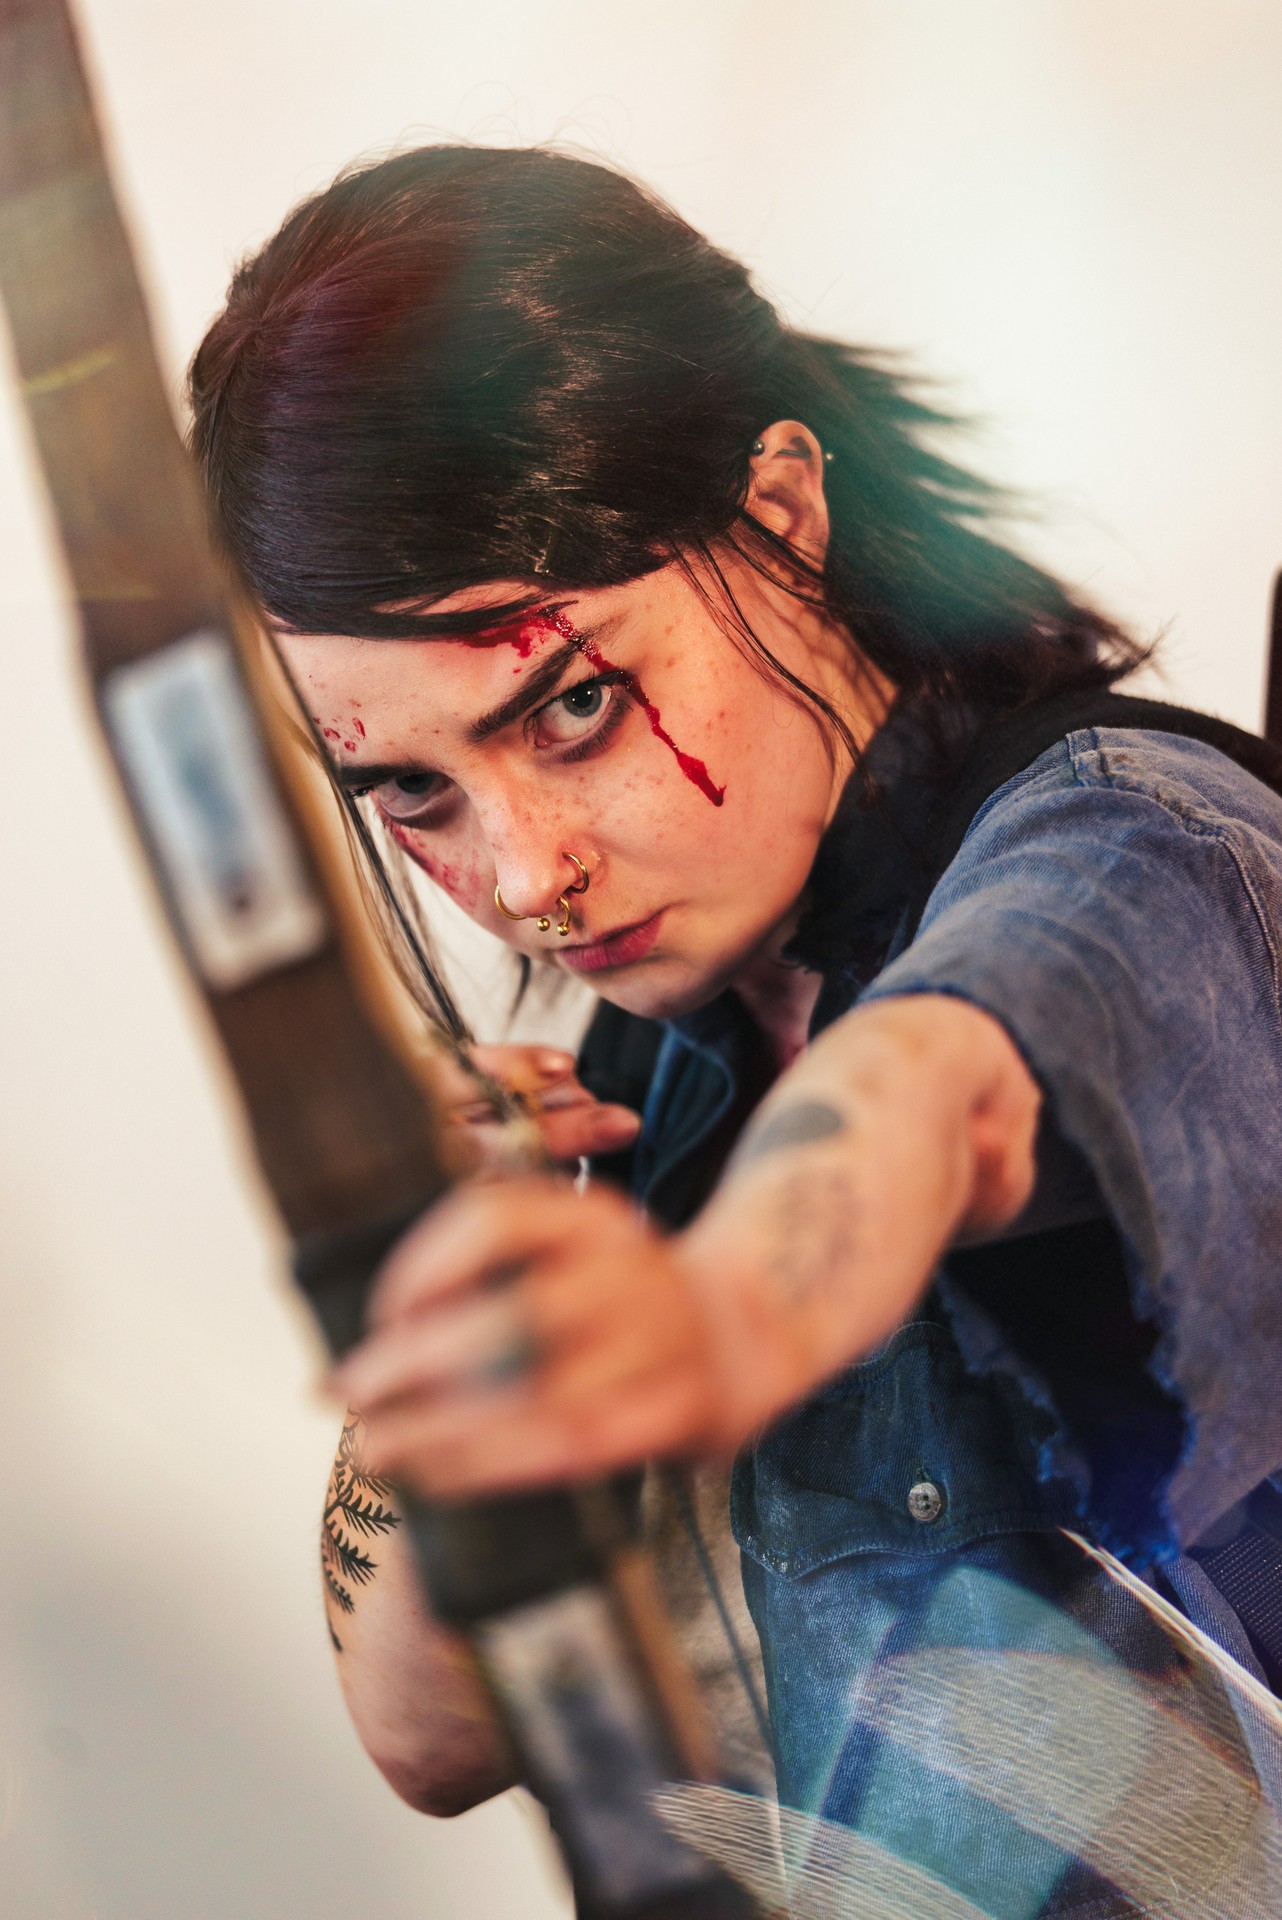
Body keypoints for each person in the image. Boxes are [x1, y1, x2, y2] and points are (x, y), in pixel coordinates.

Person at [188, 145, 1282, 1914]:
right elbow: (431, 1740)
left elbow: (941, 1085)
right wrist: (450, 1307)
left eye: (573, 706)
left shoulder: (1132, 840)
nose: (526, 877)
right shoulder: (648, 1062)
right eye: (412, 791)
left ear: (778, 516)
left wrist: (716, 1317)